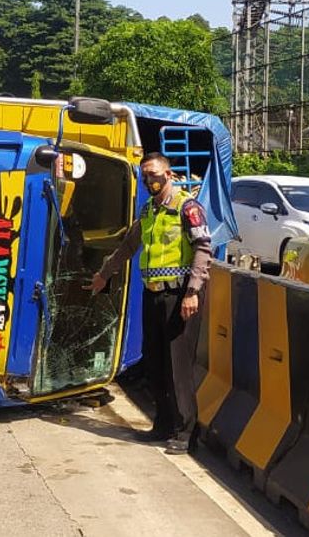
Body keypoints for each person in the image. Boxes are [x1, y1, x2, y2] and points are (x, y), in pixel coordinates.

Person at [88, 152, 211, 454]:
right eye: (145, 175)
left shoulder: (187, 207)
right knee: (154, 362)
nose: (149, 180)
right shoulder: (148, 211)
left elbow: (203, 249)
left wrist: (192, 292)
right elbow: (128, 246)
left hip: (180, 296)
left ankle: (186, 433)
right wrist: (104, 275)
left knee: (177, 366)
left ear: (169, 175)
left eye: (154, 174)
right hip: (153, 294)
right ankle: (163, 425)